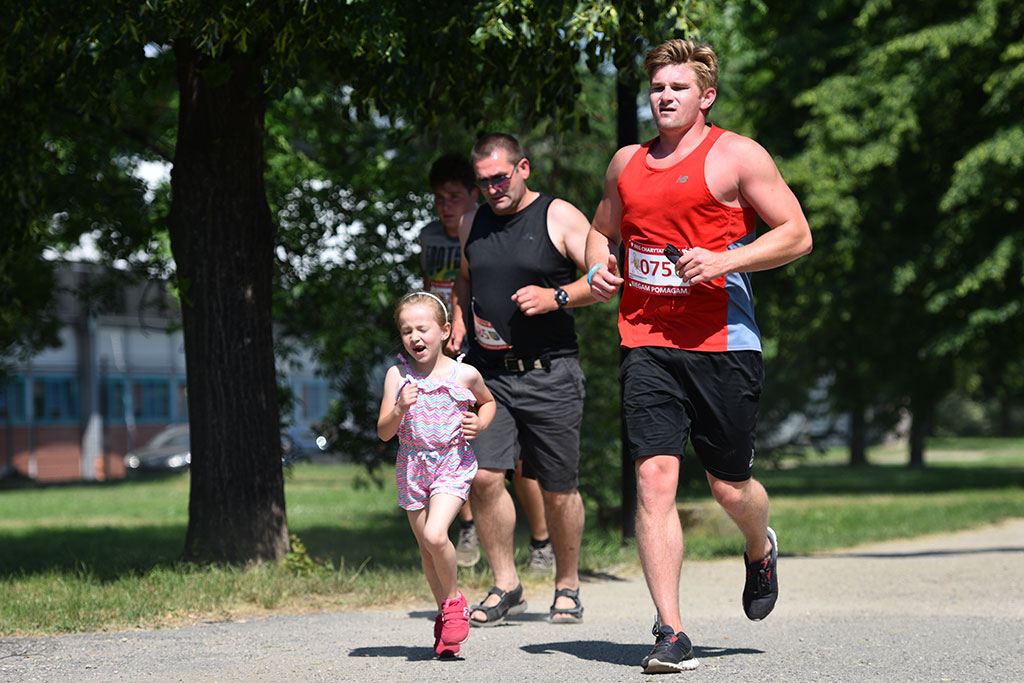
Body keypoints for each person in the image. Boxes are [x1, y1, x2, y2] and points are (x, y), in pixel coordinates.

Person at [585, 39, 812, 673]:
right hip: (647, 340)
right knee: (654, 482)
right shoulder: (626, 162)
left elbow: (797, 234)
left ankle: (757, 545)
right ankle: (671, 630)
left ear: (705, 97)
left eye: (678, 88)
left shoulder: (737, 155)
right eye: (657, 88)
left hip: (723, 343)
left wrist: (725, 259)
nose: (664, 97)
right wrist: (598, 271)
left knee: (728, 486)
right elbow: (602, 233)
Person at [449, 133, 595, 626]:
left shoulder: (558, 215)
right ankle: (506, 584)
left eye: (500, 178)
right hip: (490, 378)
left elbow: (603, 279)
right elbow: (464, 275)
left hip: (549, 372)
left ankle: (568, 584)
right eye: (483, 182)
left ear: (523, 168)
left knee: (557, 488)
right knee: (485, 477)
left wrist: (555, 297)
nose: (492, 189)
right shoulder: (474, 221)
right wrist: (459, 317)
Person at [421, 152, 555, 571]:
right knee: (450, 442)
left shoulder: (483, 229)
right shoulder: (429, 236)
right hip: (444, 348)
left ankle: (541, 539)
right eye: (439, 199)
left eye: (455, 197)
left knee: (518, 462)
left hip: (494, 349)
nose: (446, 207)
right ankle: (467, 528)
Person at [377, 291, 496, 658]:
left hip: (451, 464)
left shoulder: (465, 373)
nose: (415, 337)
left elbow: (489, 402)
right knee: (428, 552)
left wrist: (480, 422)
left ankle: (454, 603)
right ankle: (446, 616)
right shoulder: (397, 375)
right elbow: (383, 431)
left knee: (435, 534)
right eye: (406, 330)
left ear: (444, 331)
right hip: (412, 468)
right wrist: (399, 408)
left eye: (423, 329)